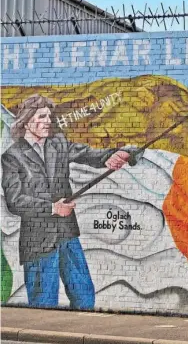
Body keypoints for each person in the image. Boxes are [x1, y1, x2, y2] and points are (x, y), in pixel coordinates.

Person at [1, 94, 137, 309]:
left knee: (84, 294)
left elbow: (87, 153)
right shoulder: (13, 156)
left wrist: (111, 156)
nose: (48, 121)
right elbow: (15, 200)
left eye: (49, 116)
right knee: (43, 302)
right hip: (39, 241)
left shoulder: (58, 143)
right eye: (42, 116)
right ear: (26, 121)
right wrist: (52, 208)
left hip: (67, 234)